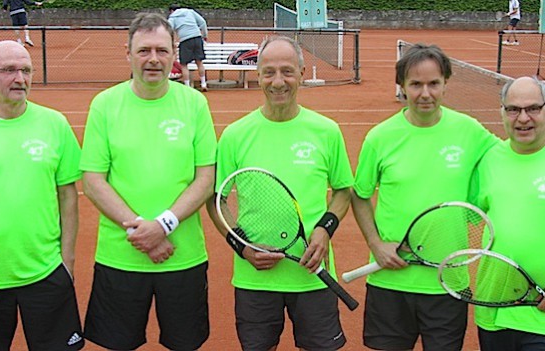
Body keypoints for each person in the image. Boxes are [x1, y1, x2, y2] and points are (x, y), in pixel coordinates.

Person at [351, 44, 545, 351]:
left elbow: (519, 146)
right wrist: (376, 245)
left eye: (433, 83)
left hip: (449, 285)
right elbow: (360, 195)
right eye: (415, 84)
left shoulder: (470, 132)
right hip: (389, 283)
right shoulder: (380, 137)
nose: (425, 93)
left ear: (446, 83)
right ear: (402, 86)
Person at [80, 12, 216, 351]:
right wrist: (143, 229)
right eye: (143, 51)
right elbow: (94, 180)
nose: (153, 59)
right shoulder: (104, 105)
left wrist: (164, 225)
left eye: (161, 50)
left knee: (185, 343)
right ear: (128, 54)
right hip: (120, 257)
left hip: (183, 257)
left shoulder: (195, 104)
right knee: (118, 344)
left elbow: (206, 178)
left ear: (173, 54)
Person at [207, 36, 353, 351]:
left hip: (312, 275)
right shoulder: (235, 135)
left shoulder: (326, 131)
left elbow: (343, 192)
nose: (278, 82)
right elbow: (216, 201)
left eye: (287, 71)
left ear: (302, 73)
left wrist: (324, 231)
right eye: (268, 72)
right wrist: (241, 245)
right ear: (257, 75)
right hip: (254, 279)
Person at [0, 40, 84, 350]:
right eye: (9, 70)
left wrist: (67, 261)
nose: (20, 78)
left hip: (46, 271)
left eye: (26, 70)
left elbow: (67, 196)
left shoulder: (55, 124)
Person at [470, 76, 545, 351]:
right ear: (502, 111)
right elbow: (465, 215)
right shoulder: (488, 159)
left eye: (533, 108)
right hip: (493, 310)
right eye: (513, 109)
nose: (523, 118)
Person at [167, 3, 209, 91]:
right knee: (199, 62)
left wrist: (172, 41)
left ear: (171, 11)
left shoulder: (172, 17)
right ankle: (203, 84)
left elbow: (169, 30)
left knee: (184, 65)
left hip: (185, 40)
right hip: (197, 38)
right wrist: (204, 35)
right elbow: (202, 22)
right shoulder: (190, 12)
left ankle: (187, 87)